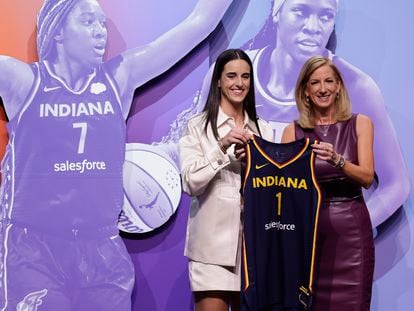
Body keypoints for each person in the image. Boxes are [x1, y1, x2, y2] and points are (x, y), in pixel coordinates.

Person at [0, 0, 232, 309]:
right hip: (35, 249)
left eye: (102, 24)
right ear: (57, 32)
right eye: (87, 22)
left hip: (101, 247)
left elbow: (199, 24)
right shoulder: (22, 80)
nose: (100, 33)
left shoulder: (119, 76)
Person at [184, 0, 408, 230]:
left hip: (305, 250)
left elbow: (396, 184)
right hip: (230, 241)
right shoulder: (232, 76)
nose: (313, 26)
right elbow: (197, 152)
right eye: (301, 11)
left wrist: (338, 235)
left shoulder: (356, 86)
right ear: (276, 13)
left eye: (325, 16)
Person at [178, 49, 273, 311]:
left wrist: (252, 164)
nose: (239, 83)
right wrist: (222, 146)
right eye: (231, 76)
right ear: (218, 81)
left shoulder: (263, 129)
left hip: (254, 247)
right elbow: (190, 182)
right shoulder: (197, 127)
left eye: (245, 76)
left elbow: (273, 189)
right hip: (211, 249)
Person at [281, 55, 375, 310]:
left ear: (338, 88)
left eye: (328, 81)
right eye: (315, 83)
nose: (322, 88)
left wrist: (338, 161)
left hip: (352, 234)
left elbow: (367, 177)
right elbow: (286, 190)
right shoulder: (293, 132)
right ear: (306, 92)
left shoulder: (360, 123)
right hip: (311, 238)